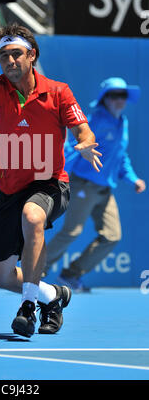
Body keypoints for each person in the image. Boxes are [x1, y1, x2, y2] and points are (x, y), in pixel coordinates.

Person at [0, 24, 102, 338]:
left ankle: (28, 307)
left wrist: (86, 141)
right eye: (4, 55)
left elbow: (82, 129)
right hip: (9, 190)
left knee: (32, 216)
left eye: (16, 54)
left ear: (32, 55)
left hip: (50, 184)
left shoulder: (58, 92)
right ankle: (54, 296)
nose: (10, 61)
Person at [43, 77, 146, 292]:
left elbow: (120, 155)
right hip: (83, 186)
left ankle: (71, 275)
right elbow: (73, 149)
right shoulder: (94, 121)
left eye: (123, 95)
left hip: (105, 189)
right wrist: (56, 177)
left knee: (112, 236)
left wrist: (132, 178)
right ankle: (35, 272)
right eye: (114, 95)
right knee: (71, 232)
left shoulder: (122, 122)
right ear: (104, 99)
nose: (119, 100)